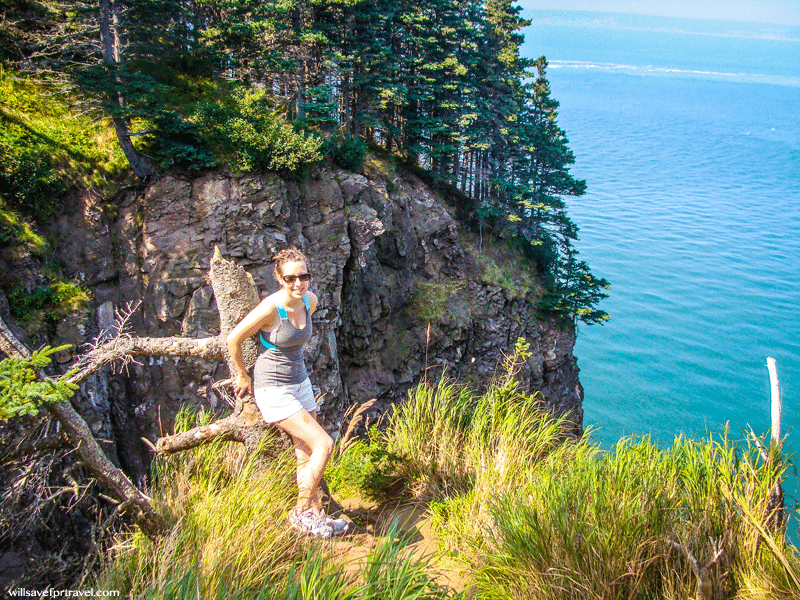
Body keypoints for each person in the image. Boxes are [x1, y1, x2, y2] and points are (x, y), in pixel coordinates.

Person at [226, 247, 347, 538]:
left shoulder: (310, 301)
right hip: (274, 388)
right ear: (279, 278)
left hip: (300, 382)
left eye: (303, 276)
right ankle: (301, 512)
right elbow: (234, 338)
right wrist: (242, 375)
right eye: (290, 277)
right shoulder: (271, 308)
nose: (298, 283)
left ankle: (315, 515)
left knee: (305, 452)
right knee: (324, 446)